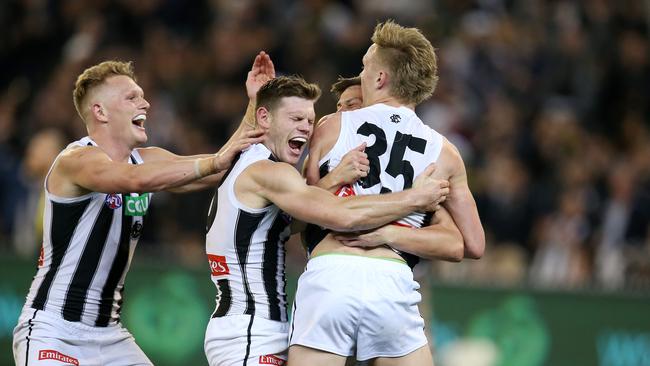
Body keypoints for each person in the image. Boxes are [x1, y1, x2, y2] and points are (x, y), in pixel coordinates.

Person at [12, 58, 266, 366]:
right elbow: (134, 180)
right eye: (131, 97)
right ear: (100, 111)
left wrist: (256, 106)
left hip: (109, 335)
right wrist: (216, 161)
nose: (145, 103)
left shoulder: (144, 160)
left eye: (142, 95)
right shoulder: (75, 160)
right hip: (54, 331)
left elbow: (224, 169)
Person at [203, 75, 450, 366]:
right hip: (251, 333)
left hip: (251, 328)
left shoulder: (249, 163)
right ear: (265, 118)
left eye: (310, 120)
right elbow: (345, 216)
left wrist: (333, 179)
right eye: (296, 118)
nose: (306, 129)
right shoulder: (269, 172)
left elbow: (292, 220)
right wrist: (416, 199)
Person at [289, 21, 485, 366]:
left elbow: (302, 209)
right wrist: (392, 232)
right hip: (392, 280)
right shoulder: (445, 153)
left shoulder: (332, 126)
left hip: (330, 271)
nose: (362, 76)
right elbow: (473, 244)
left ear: (380, 79)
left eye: (365, 68)